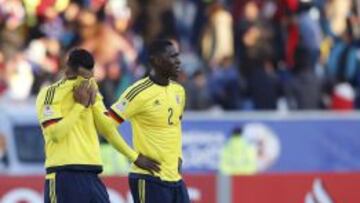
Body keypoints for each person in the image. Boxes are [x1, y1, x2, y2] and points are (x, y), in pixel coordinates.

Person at [35, 49, 159, 203]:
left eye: (89, 77)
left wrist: (134, 157)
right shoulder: (50, 94)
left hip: (91, 175)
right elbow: (55, 134)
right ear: (68, 71)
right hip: (63, 175)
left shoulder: (91, 89)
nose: (85, 82)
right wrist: (79, 107)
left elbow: (107, 129)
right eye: (81, 77)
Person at [103, 40, 190, 203]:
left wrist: (178, 156)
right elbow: (106, 126)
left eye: (178, 56)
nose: (178, 61)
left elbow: (176, 126)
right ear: (155, 61)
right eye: (172, 56)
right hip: (149, 180)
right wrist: (134, 157)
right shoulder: (138, 93)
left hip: (175, 179)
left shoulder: (179, 91)